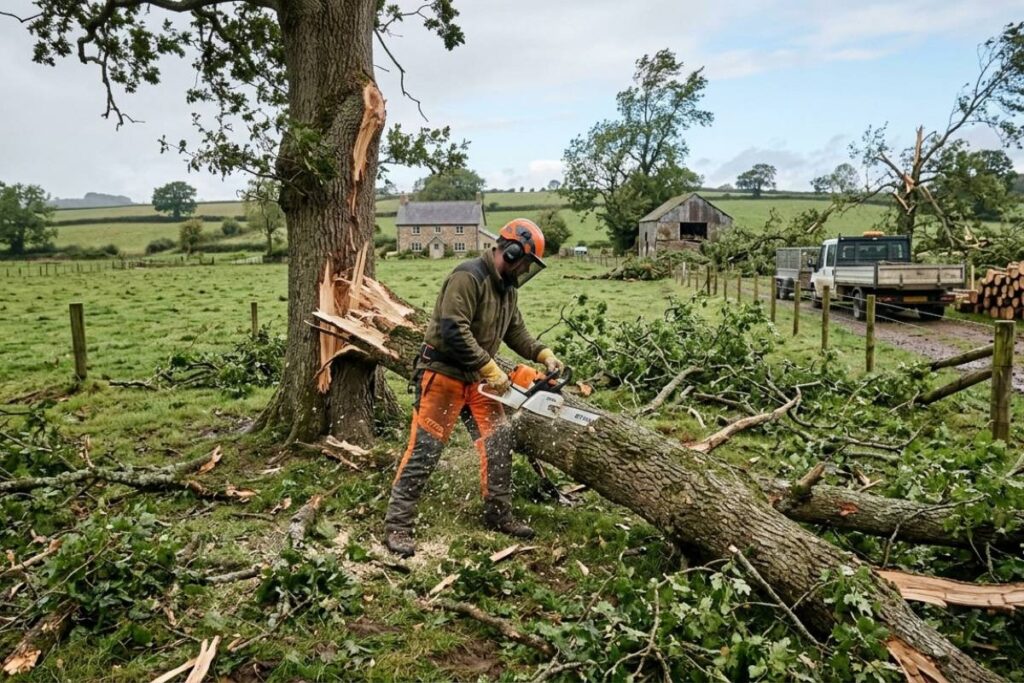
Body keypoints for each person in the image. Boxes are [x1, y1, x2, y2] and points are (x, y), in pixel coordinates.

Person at [383, 218, 564, 557]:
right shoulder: (469, 276)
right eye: (525, 261)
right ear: (510, 251)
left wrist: (543, 353)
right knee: (425, 449)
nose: (525, 268)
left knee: (498, 442)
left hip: (478, 381)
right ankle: (398, 525)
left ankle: (499, 515)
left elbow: (516, 332)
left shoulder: (508, 289)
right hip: (443, 374)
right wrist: (489, 366)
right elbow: (454, 329)